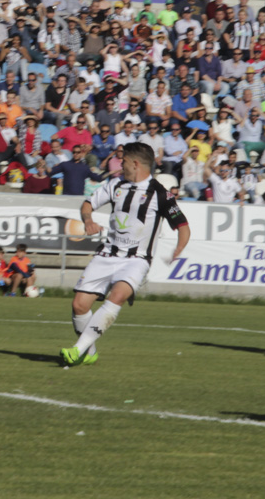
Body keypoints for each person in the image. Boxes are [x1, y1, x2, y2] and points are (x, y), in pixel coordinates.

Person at [60, 143, 190, 366]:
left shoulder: (160, 193)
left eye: (124, 161)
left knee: (117, 296)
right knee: (79, 305)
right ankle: (89, 351)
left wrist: (179, 247)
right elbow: (88, 203)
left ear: (136, 163)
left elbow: (183, 226)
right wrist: (88, 220)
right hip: (107, 255)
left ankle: (76, 350)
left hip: (136, 260)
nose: (120, 164)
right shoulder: (115, 184)